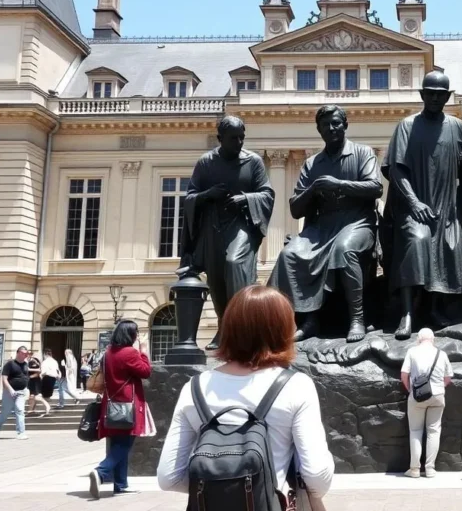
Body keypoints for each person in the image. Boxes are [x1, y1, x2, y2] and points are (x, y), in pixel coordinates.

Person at [157, 285, 334, 505]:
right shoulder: (296, 385)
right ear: (282, 330)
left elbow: (169, 477)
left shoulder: (194, 387)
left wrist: (221, 486)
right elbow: (317, 477)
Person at [270, 105, 383, 343]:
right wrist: (312, 190)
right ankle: (309, 320)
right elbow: (295, 210)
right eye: (325, 125)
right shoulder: (312, 164)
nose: (331, 128)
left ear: (345, 125)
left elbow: (375, 188)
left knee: (344, 249)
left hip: (357, 222)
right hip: (322, 227)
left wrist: (338, 185)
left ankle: (357, 318)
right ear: (319, 130)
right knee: (289, 254)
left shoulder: (362, 152)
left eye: (336, 123)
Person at [382, 72, 462, 339]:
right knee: (418, 240)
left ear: (447, 97)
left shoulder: (457, 127)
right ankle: (407, 312)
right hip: (413, 206)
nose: (434, 98)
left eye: (440, 94)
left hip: (447, 206)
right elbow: (396, 170)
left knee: (450, 244)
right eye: (430, 93)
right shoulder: (407, 126)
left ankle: (434, 307)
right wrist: (414, 203)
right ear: (422, 95)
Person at [178, 115, 276, 350]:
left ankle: (242, 326)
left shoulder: (253, 162)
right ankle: (224, 328)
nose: (239, 142)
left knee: (234, 263)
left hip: (241, 224)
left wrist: (245, 199)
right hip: (213, 228)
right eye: (233, 138)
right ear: (220, 138)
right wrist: (208, 194)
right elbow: (189, 198)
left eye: (242, 137)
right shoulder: (206, 163)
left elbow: (267, 194)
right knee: (216, 279)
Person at [88, 320, 152, 499]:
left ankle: (121, 485)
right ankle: (101, 471)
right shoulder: (129, 353)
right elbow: (145, 371)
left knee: (118, 443)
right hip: (127, 405)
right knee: (125, 444)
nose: (137, 336)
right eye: (136, 332)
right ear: (130, 334)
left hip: (111, 405)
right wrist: (143, 350)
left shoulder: (108, 352)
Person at [400, 328, 452, 478]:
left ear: (418, 339)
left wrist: (410, 389)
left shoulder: (412, 352)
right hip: (438, 395)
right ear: (433, 339)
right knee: (434, 431)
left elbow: (404, 374)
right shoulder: (441, 354)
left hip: (417, 396)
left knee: (416, 431)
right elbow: (448, 377)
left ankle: (415, 469)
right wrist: (440, 388)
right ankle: (430, 469)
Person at [0, 346, 31, 440]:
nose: (25, 355)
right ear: (18, 353)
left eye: (26, 354)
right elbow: (4, 379)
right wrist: (10, 390)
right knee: (5, 413)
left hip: (21, 392)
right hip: (9, 392)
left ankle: (21, 433)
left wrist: (26, 388)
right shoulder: (10, 364)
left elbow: (25, 377)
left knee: (20, 410)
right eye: (23, 353)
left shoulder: (25, 364)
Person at [25, 350, 47, 416]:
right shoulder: (25, 361)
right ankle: (31, 410)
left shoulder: (34, 361)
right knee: (32, 396)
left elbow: (38, 371)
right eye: (27, 354)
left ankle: (31, 410)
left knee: (33, 395)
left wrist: (30, 374)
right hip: (28, 380)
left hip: (35, 381)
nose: (28, 355)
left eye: (30, 354)